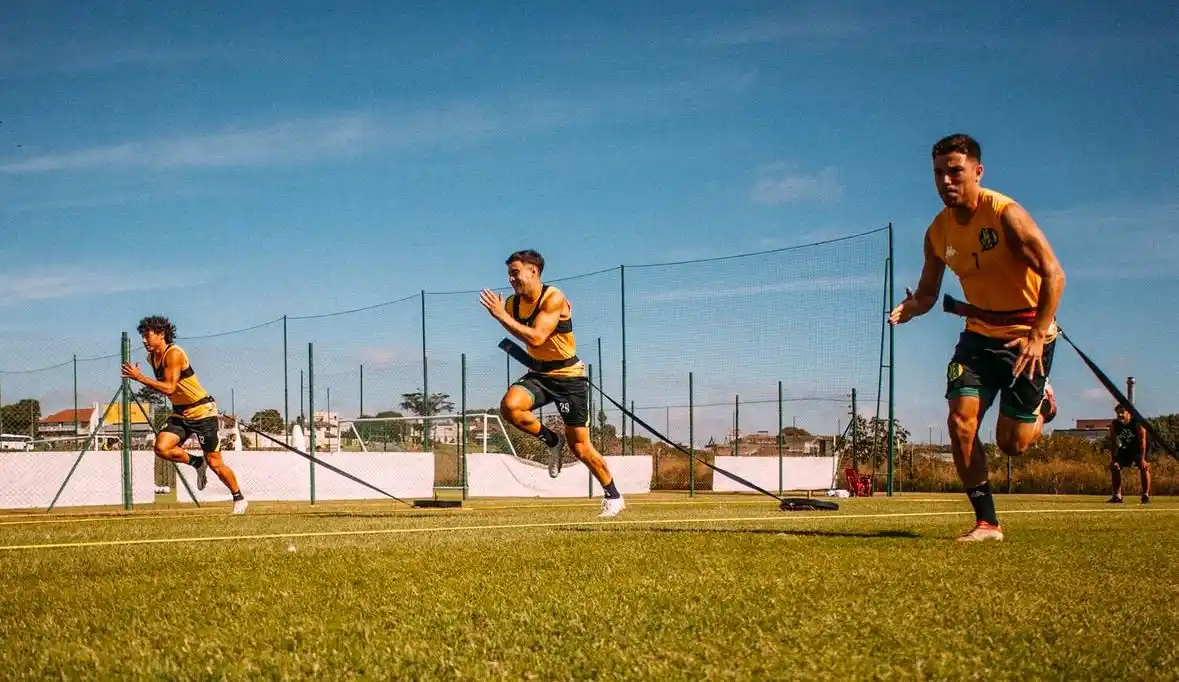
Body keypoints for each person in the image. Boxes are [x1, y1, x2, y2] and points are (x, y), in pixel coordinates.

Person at [889, 133, 1066, 542]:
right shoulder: (937, 232)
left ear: (977, 172)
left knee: (1012, 444)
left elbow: (1054, 274)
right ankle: (987, 522)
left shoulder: (1006, 215)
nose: (946, 181)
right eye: (938, 173)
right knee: (960, 421)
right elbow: (930, 292)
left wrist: (1039, 334)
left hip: (1027, 337)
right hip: (978, 337)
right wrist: (913, 307)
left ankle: (1044, 407)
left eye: (955, 171)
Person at [480, 249, 625, 518]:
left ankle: (613, 495)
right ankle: (551, 440)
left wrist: (500, 316)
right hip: (540, 374)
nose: (511, 279)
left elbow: (536, 338)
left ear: (533, 271)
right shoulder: (512, 303)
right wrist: (504, 313)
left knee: (581, 447)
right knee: (510, 407)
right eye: (509, 274)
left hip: (569, 378)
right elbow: (527, 339)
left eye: (515, 273)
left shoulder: (553, 298)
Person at [121, 316, 248, 515]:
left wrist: (140, 378)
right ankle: (197, 462)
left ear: (161, 334)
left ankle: (238, 497)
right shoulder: (151, 358)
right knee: (161, 448)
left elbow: (170, 387)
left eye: (147, 336)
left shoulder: (174, 354)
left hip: (202, 412)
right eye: (142, 337)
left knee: (215, 463)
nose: (144, 341)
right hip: (181, 413)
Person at [1108, 404, 1151, 504]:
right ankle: (1117, 496)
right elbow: (1113, 443)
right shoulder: (1115, 425)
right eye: (1118, 413)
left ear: (1129, 413)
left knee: (1144, 467)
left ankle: (1145, 495)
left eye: (1122, 412)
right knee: (1115, 466)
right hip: (1126, 447)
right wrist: (1113, 459)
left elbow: (1142, 440)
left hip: (1140, 448)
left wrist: (1143, 459)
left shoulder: (1137, 422)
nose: (1120, 415)